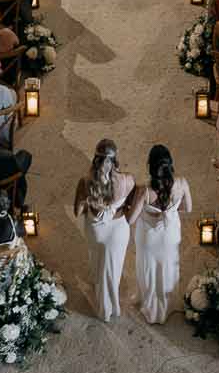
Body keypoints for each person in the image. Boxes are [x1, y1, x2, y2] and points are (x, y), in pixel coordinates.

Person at [126, 144, 191, 324]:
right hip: (170, 235)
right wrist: (172, 209)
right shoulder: (182, 183)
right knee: (169, 266)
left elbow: (130, 220)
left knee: (149, 268)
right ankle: (168, 303)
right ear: (170, 164)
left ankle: (151, 305)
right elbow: (188, 208)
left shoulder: (144, 191)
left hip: (149, 237)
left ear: (150, 166)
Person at [73, 138, 135, 320]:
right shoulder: (128, 180)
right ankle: (111, 304)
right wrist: (115, 207)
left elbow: (77, 212)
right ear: (115, 160)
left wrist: (91, 202)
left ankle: (102, 299)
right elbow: (131, 205)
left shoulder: (84, 182)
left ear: (95, 159)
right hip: (118, 231)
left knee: (98, 262)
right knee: (113, 267)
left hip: (96, 231)